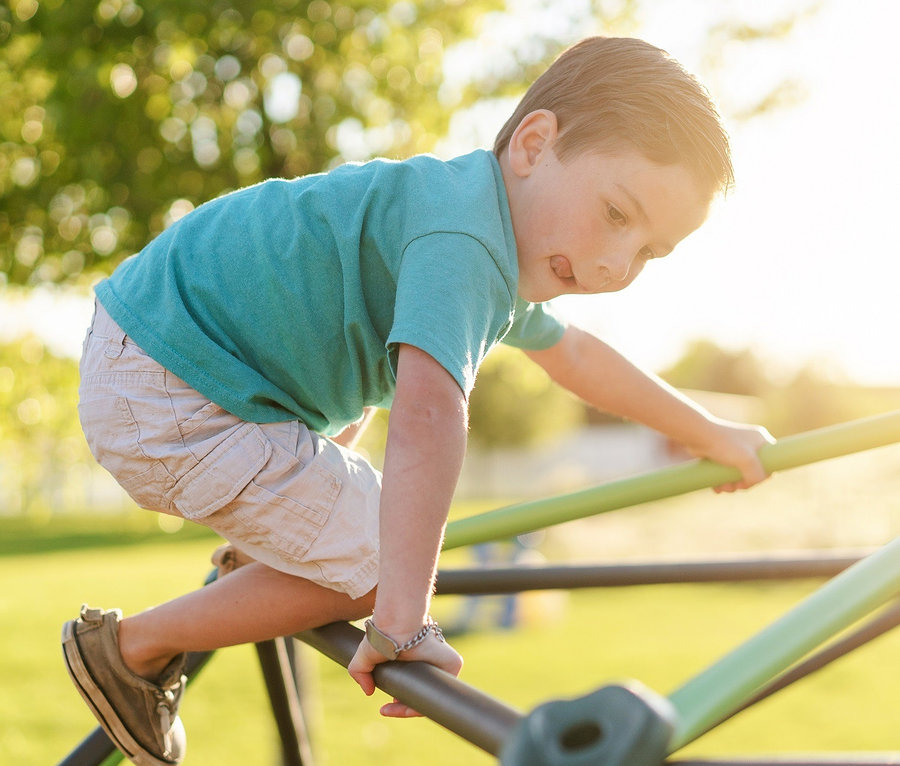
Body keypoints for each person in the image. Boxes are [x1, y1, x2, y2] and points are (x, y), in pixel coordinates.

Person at [62, 36, 774, 766]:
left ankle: (258, 559)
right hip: (170, 388)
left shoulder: (470, 218)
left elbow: (576, 355)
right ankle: (132, 648)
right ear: (534, 145)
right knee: (387, 557)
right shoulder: (462, 240)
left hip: (176, 367)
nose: (616, 266)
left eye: (649, 252)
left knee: (376, 497)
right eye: (617, 214)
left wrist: (708, 430)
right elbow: (429, 416)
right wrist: (402, 618)